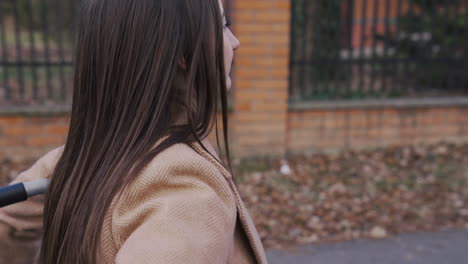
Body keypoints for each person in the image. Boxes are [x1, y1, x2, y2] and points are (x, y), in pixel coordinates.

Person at [0, 0, 268, 263]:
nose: (235, 41)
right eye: (223, 26)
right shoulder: (185, 188)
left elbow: (7, 223)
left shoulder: (80, 158)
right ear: (182, 55)